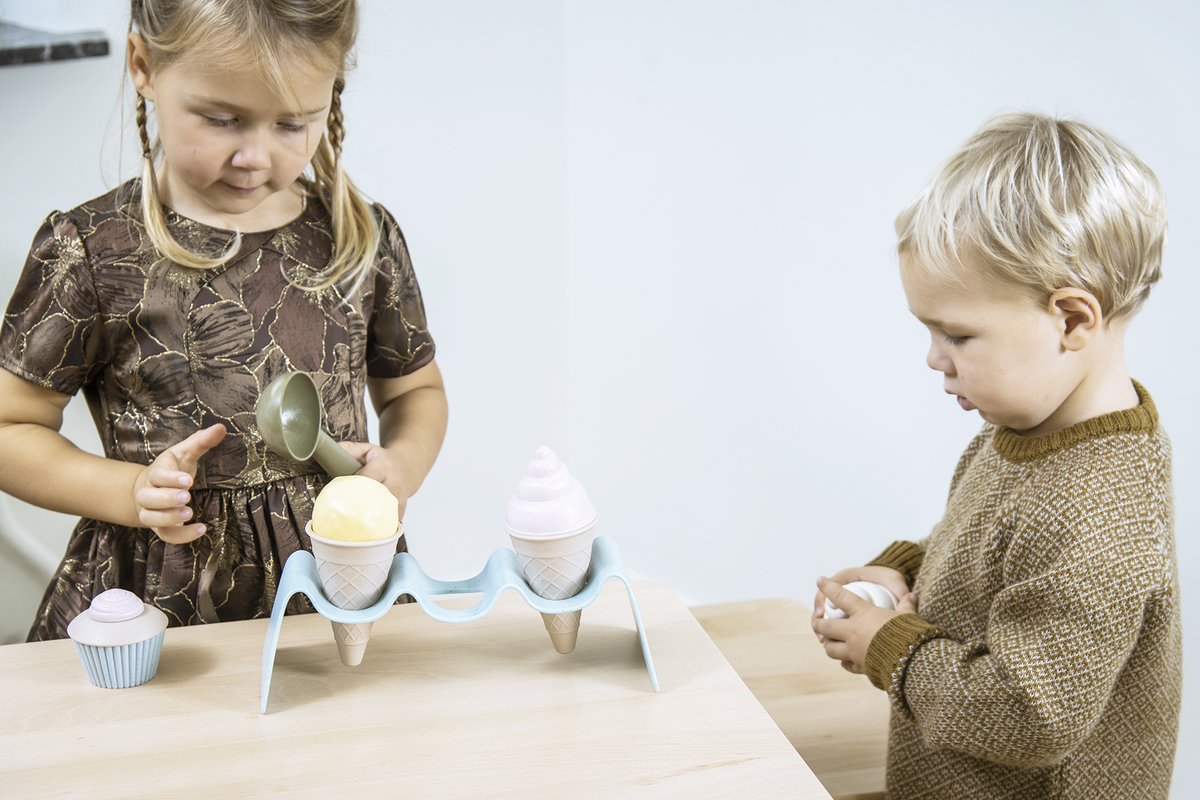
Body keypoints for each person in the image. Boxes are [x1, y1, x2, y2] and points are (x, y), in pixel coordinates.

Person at [0, 0, 448, 641]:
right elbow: (9, 427)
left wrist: (402, 464)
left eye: (293, 124)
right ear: (144, 65)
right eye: (222, 120)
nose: (254, 157)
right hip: (158, 607)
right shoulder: (95, 250)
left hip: (338, 590)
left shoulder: (359, 239)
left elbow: (417, 392)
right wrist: (130, 492)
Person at [811, 112, 1180, 799]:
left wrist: (892, 647)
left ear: (1071, 320)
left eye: (956, 334)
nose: (933, 358)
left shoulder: (1101, 512)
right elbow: (996, 550)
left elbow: (1029, 715)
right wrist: (910, 571)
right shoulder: (1025, 435)